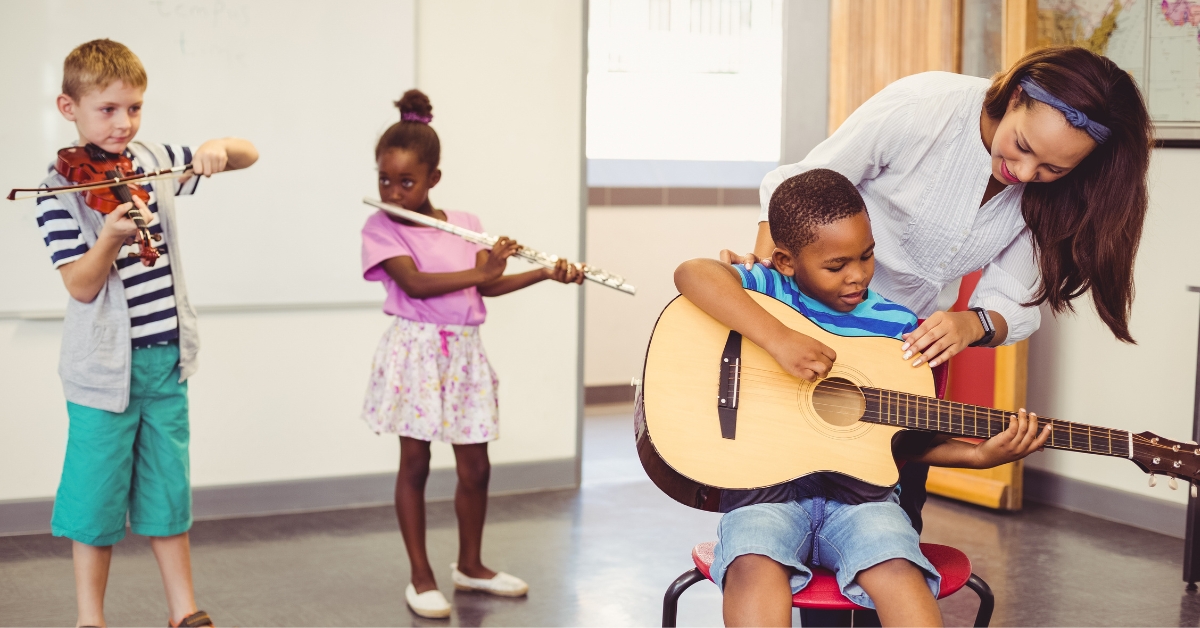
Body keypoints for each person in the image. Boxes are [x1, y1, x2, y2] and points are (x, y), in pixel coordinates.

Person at [723, 45, 1152, 532]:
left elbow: (1016, 301)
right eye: (1025, 147)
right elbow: (799, 187)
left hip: (901, 359)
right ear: (1014, 96)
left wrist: (972, 323)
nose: (1027, 174)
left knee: (892, 517)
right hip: (814, 330)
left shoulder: (1052, 197)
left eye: (1054, 169)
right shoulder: (924, 107)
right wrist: (764, 288)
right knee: (796, 503)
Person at [677, 169, 1050, 627]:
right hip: (763, 495)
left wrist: (979, 458)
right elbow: (692, 273)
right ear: (787, 260)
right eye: (836, 266)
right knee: (753, 566)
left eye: (867, 256)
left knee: (898, 568)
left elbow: (906, 440)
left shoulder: (897, 326)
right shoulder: (768, 290)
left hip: (862, 504)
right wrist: (778, 340)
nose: (857, 276)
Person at [34, 39, 258, 628]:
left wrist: (217, 149)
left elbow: (248, 153)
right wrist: (107, 237)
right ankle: (91, 618)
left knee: (167, 489)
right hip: (102, 370)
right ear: (69, 107)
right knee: (95, 497)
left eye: (134, 108)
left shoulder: (150, 159)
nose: (124, 123)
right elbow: (81, 286)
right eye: (107, 109)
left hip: (165, 361)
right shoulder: (60, 190)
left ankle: (183, 611)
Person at [360, 89, 585, 619]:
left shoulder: (463, 220)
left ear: (433, 179)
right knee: (414, 463)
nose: (393, 191)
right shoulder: (380, 227)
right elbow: (415, 285)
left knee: (476, 468)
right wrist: (483, 270)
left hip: (463, 354)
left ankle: (471, 565)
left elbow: (486, 289)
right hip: (414, 352)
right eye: (384, 180)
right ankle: (420, 575)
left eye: (406, 181)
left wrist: (545, 271)